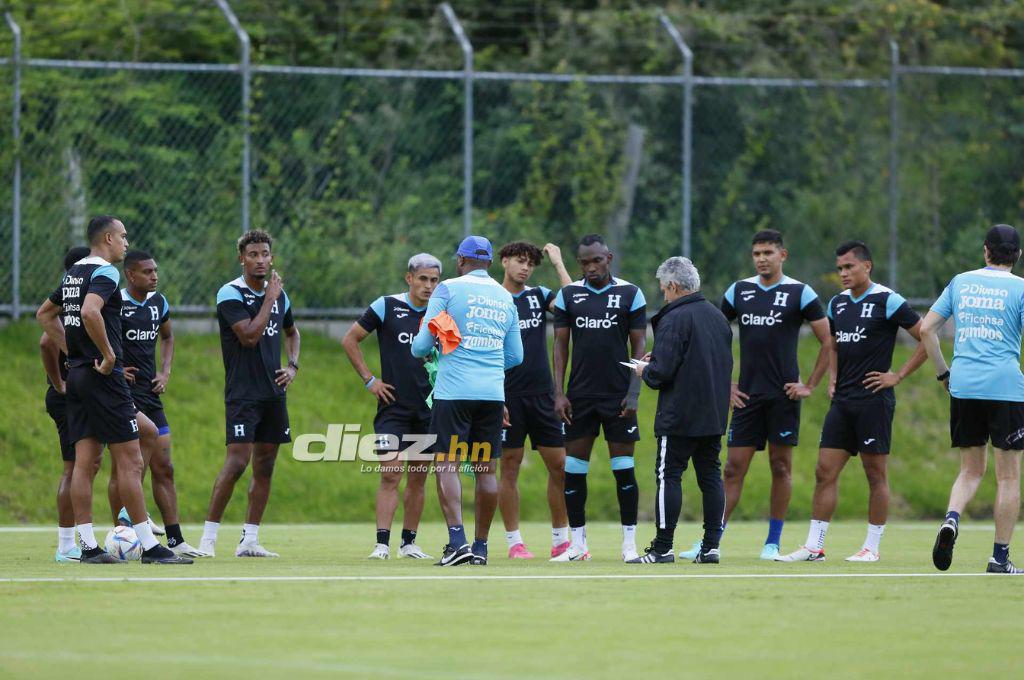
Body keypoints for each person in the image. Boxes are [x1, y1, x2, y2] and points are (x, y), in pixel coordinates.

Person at [35, 215, 190, 564]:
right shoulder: (105, 273)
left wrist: (74, 353)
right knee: (131, 459)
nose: (126, 242)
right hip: (103, 378)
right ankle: (149, 546)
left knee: (85, 461)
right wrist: (107, 355)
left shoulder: (74, 273)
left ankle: (88, 546)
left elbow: (45, 315)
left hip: (76, 376)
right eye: (122, 236)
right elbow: (91, 312)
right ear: (107, 238)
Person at [679, 230, 830, 561]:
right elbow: (713, 336)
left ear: (782, 255)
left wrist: (810, 385)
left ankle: (772, 542)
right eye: (757, 253)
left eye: (768, 252)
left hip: (783, 398)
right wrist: (726, 384)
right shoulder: (739, 291)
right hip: (746, 396)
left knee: (780, 467)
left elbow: (828, 340)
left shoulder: (800, 293)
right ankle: (710, 541)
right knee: (732, 468)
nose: (762, 258)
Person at [778, 240, 926, 563]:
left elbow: (926, 337)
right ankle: (814, 546)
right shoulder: (838, 304)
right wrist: (832, 377)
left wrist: (897, 375)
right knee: (823, 471)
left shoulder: (887, 300)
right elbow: (832, 343)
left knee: (875, 474)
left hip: (874, 401)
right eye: (840, 268)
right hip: (843, 402)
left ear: (867, 266)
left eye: (849, 267)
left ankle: (871, 548)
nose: (843, 273)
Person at [412, 235, 523, 566]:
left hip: (453, 392)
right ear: (489, 263)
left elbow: (421, 347)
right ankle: (481, 548)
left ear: (460, 260)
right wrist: (486, 362)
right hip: (491, 393)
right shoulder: (505, 297)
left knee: (446, 464)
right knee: (487, 470)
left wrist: (444, 353)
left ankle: (457, 542)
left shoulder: (447, 289)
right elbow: (516, 355)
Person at [922, 225, 1024, 574]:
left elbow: (926, 330)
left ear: (985, 251)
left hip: (964, 385)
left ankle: (951, 519)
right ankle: (999, 557)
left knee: (970, 470)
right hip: (1006, 387)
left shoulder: (961, 282)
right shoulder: (1020, 288)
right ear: (1018, 255)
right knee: (1008, 477)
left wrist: (943, 374)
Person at [199, 229, 300, 558]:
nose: (260, 260)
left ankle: (249, 540)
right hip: (243, 394)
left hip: (274, 393)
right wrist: (269, 298)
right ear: (241, 259)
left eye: (265, 254)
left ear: (272, 257)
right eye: (253, 255)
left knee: (266, 465)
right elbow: (249, 337)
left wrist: (293, 365)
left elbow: (292, 331)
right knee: (237, 462)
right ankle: (208, 540)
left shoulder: (279, 296)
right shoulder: (230, 294)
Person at [628, 257, 732, 564]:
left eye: (664, 290)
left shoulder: (674, 317)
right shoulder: (717, 316)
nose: (664, 295)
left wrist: (645, 369)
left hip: (680, 415)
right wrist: (658, 358)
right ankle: (711, 546)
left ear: (673, 286)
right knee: (710, 476)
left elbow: (662, 375)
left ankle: (662, 548)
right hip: (713, 413)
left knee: (668, 476)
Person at [551, 233, 648, 562]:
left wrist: (634, 392)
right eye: (584, 262)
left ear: (608, 258)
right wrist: (559, 393)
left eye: (596, 260)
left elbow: (639, 347)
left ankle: (629, 545)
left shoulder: (630, 294)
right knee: (574, 471)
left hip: (618, 397)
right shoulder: (569, 296)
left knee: (624, 470)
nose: (590, 267)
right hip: (579, 398)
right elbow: (560, 347)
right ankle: (577, 546)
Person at [343, 253, 441, 560]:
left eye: (434, 280)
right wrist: (370, 380)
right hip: (393, 410)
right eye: (423, 279)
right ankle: (381, 545)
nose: (428, 286)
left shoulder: (442, 314)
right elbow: (350, 340)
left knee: (418, 477)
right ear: (409, 278)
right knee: (390, 473)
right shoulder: (386, 306)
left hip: (428, 410)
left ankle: (409, 543)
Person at [113, 249, 207, 557]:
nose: (154, 276)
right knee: (127, 465)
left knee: (164, 467)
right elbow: (96, 336)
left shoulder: (159, 303)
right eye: (147, 272)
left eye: (155, 271)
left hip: (150, 395)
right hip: (124, 394)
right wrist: (113, 368)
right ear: (131, 275)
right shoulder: (116, 303)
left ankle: (176, 539)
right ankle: (124, 529)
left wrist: (165, 371)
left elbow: (167, 337)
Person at [497, 241, 573, 559]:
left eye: (530, 263)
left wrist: (558, 263)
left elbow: (575, 304)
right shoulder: (492, 298)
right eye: (519, 260)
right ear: (504, 262)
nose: (525, 267)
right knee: (510, 467)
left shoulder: (539, 295)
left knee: (560, 467)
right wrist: (494, 397)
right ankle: (515, 542)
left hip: (543, 397)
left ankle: (561, 541)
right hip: (507, 396)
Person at [40, 246, 92, 562]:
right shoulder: (65, 302)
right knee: (74, 468)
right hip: (67, 397)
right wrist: (59, 383)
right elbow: (46, 342)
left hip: (82, 394)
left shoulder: (78, 299)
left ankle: (125, 527)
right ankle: (65, 546)